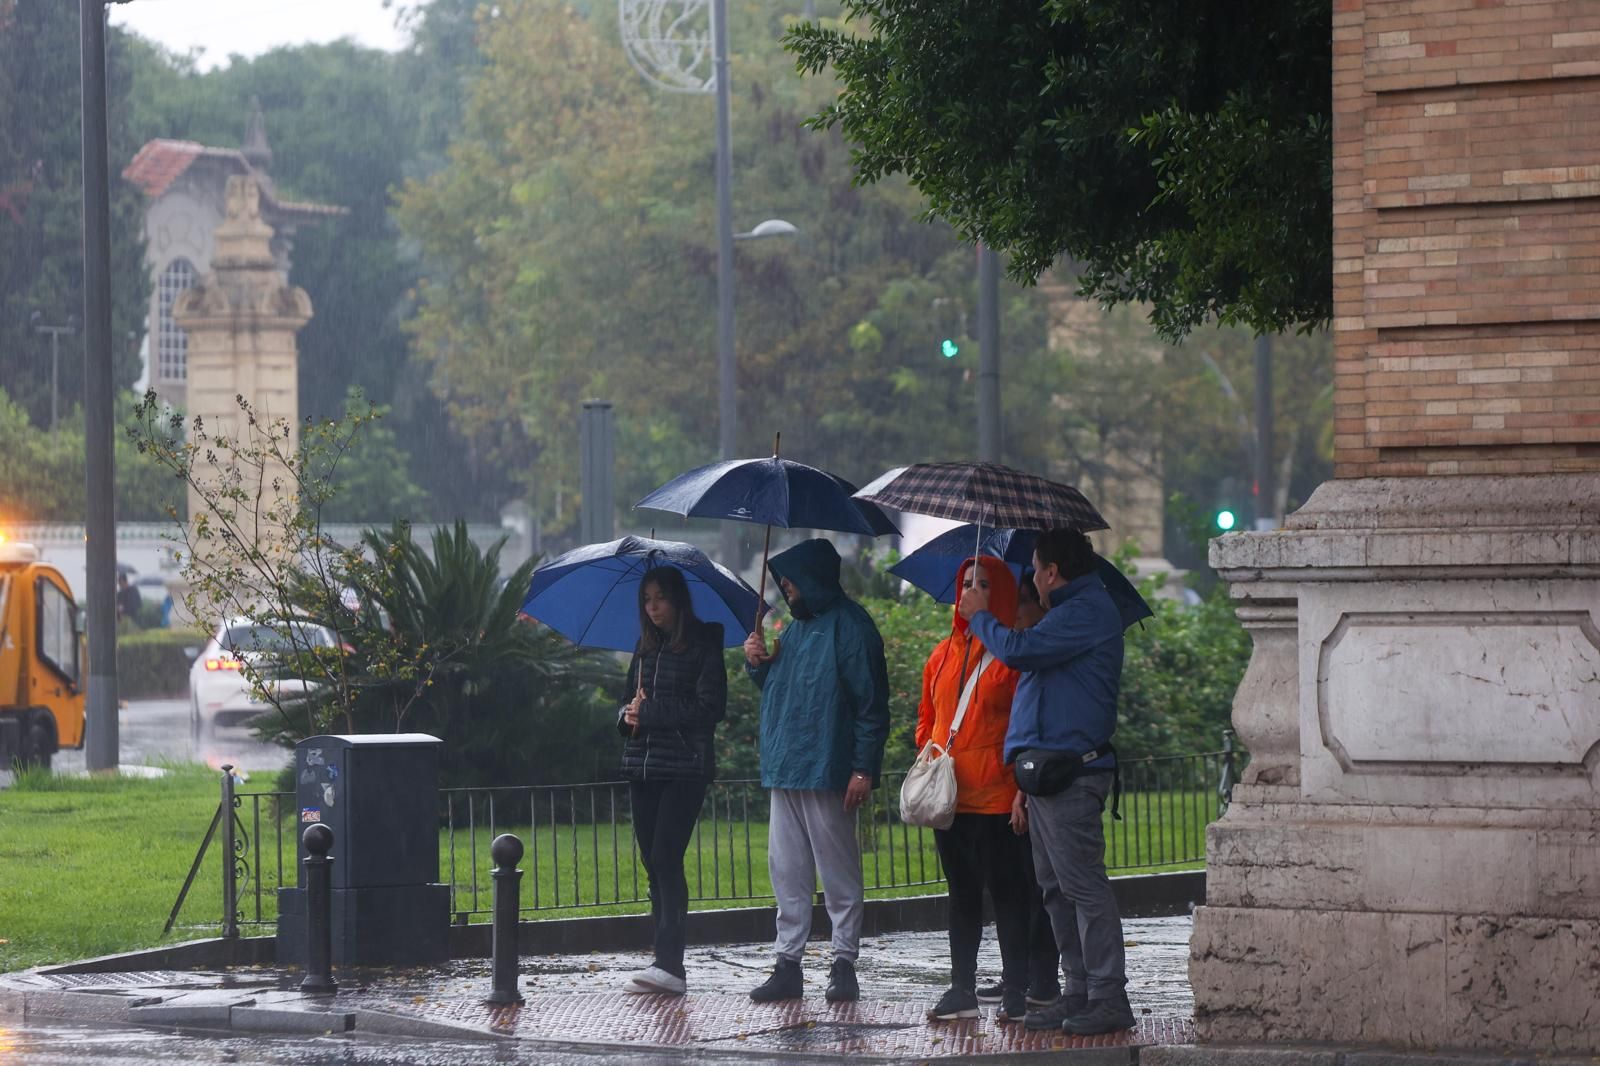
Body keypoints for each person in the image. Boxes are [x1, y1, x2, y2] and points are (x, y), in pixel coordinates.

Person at [958, 528, 1134, 1036]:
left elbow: (1018, 651)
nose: (1032, 579)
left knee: (1082, 887)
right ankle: (1076, 991)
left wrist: (981, 617)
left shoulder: (1085, 613)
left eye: (1035, 569)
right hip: (1045, 777)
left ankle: (1107, 995)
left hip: (1071, 773)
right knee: (1056, 890)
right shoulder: (1065, 615)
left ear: (1053, 572)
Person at [742, 538, 889, 1004]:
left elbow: (870, 705)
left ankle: (844, 962)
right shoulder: (796, 630)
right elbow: (781, 687)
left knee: (837, 871)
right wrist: (756, 663)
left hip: (828, 766)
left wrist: (863, 769)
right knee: (787, 872)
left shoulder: (852, 627)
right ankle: (788, 962)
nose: (785, 588)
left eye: (791, 580)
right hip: (787, 765)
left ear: (813, 577)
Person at [916, 556, 1044, 1024]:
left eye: (984, 584)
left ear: (1002, 594)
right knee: (962, 893)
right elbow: (928, 716)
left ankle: (1015, 989)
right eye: (966, 583)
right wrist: (931, 752)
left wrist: (1016, 786)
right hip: (951, 797)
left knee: (1008, 893)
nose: (971, 591)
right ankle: (961, 988)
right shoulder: (942, 654)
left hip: (996, 796)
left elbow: (1025, 723)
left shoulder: (1014, 654)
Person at [617, 566, 727, 996]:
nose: (653, 607)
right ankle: (661, 962)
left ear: (678, 599)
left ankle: (670, 964)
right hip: (642, 765)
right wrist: (627, 716)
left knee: (666, 857)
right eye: (646, 599)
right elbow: (628, 703)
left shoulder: (702, 645)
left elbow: (710, 708)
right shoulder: (644, 649)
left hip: (684, 767)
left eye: (660, 597)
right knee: (652, 863)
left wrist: (651, 712)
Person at [974, 568, 1061, 1016]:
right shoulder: (1027, 652)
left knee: (1041, 887)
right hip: (1018, 783)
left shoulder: (1035, 651)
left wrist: (1018, 789)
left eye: (1024, 600)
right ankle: (1021, 974)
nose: (1018, 610)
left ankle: (1043, 979)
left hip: (1031, 781)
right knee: (1015, 887)